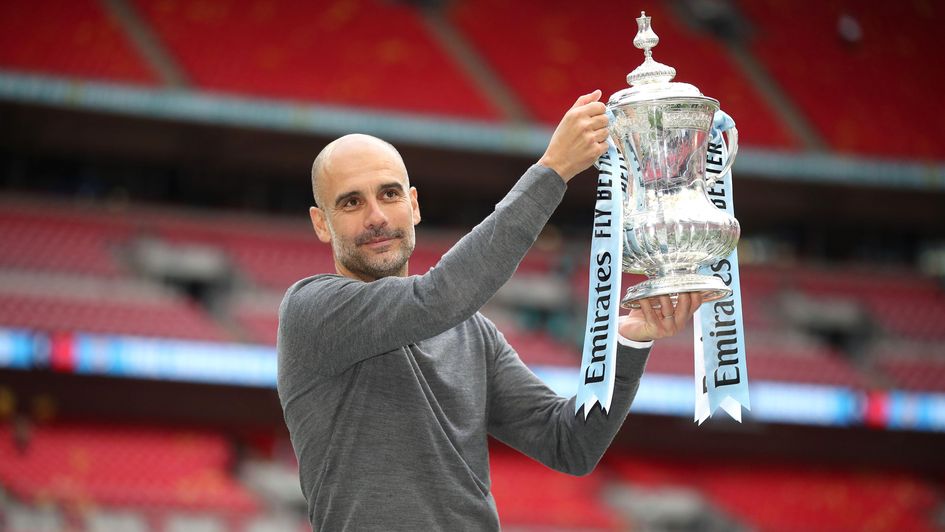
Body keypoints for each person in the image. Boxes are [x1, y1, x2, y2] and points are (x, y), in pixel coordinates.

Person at [277, 89, 702, 530]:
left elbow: (569, 444)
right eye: (351, 202)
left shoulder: (471, 333)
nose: (376, 216)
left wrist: (630, 339)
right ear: (321, 223)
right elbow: (439, 297)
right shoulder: (310, 309)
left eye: (389, 194)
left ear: (414, 205)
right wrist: (552, 171)